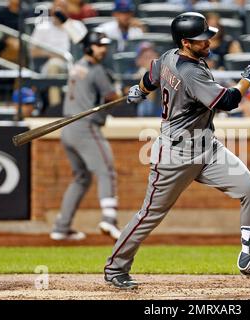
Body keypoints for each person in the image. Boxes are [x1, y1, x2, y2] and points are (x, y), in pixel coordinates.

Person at [104, 12, 250, 289]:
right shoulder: (189, 71)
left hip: (207, 148)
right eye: (201, 40)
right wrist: (248, 78)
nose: (208, 42)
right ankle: (115, 268)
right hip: (176, 155)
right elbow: (228, 101)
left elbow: (150, 77)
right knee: (149, 215)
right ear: (185, 42)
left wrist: (139, 89)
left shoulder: (168, 57)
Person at [50, 31, 123, 241]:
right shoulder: (97, 70)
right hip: (85, 127)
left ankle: (61, 227)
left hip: (68, 128)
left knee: (81, 178)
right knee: (106, 171)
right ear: (89, 47)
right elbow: (112, 98)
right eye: (100, 45)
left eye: (104, 45)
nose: (104, 49)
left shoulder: (77, 66)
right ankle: (109, 220)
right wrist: (120, 92)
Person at [30, 0, 70, 108]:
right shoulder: (43, 27)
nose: (60, 10)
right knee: (54, 64)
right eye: (58, 7)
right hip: (48, 65)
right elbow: (33, 52)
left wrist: (66, 24)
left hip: (73, 65)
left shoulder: (73, 26)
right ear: (52, 10)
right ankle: (55, 107)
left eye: (63, 7)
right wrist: (51, 54)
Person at [135, 42, 161, 117]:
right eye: (145, 57)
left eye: (151, 55)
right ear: (138, 60)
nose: (150, 60)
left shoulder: (166, 72)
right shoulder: (133, 75)